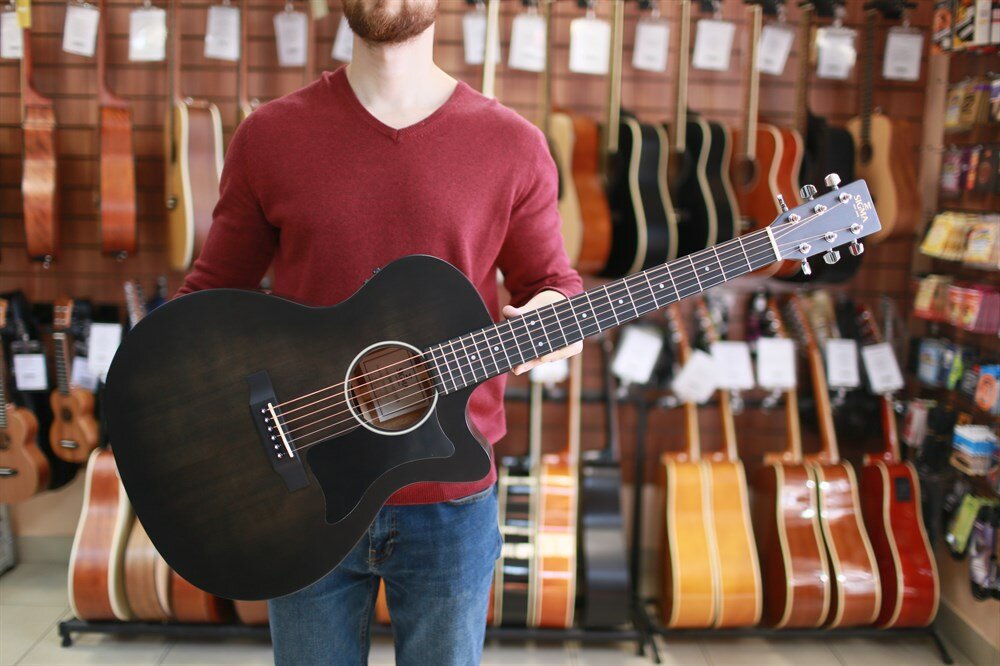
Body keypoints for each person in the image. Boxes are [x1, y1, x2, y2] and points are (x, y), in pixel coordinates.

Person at [176, 0, 582, 663]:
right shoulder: (270, 135)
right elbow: (209, 299)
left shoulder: (513, 143)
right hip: (301, 488)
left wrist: (557, 317)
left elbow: (553, 282)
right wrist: (169, 423)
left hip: (450, 495)